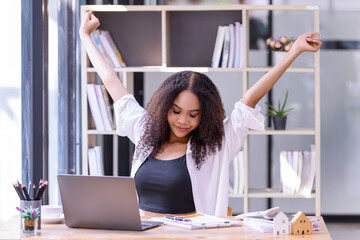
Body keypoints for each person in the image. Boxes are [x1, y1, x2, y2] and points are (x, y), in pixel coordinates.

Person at [79, 11, 322, 217]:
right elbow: (111, 81)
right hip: (142, 233)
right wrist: (85, 35)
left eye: (193, 115)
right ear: (164, 108)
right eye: (176, 111)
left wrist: (294, 51)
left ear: (205, 116)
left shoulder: (216, 145)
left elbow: (250, 98)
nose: (183, 120)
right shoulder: (145, 132)